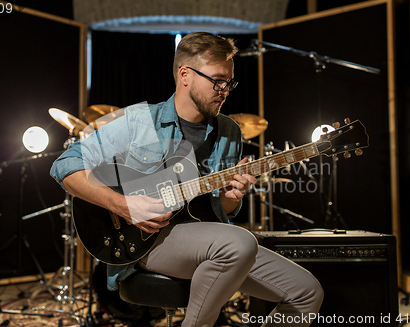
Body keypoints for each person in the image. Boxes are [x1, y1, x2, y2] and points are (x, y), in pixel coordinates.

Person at [50, 32, 323, 327]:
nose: (225, 90)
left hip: (211, 240)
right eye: (217, 80)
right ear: (185, 75)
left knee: (306, 292)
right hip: (147, 240)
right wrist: (123, 204)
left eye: (229, 82)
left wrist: (230, 199)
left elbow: (220, 210)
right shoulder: (136, 119)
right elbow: (64, 164)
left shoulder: (230, 131)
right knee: (240, 243)